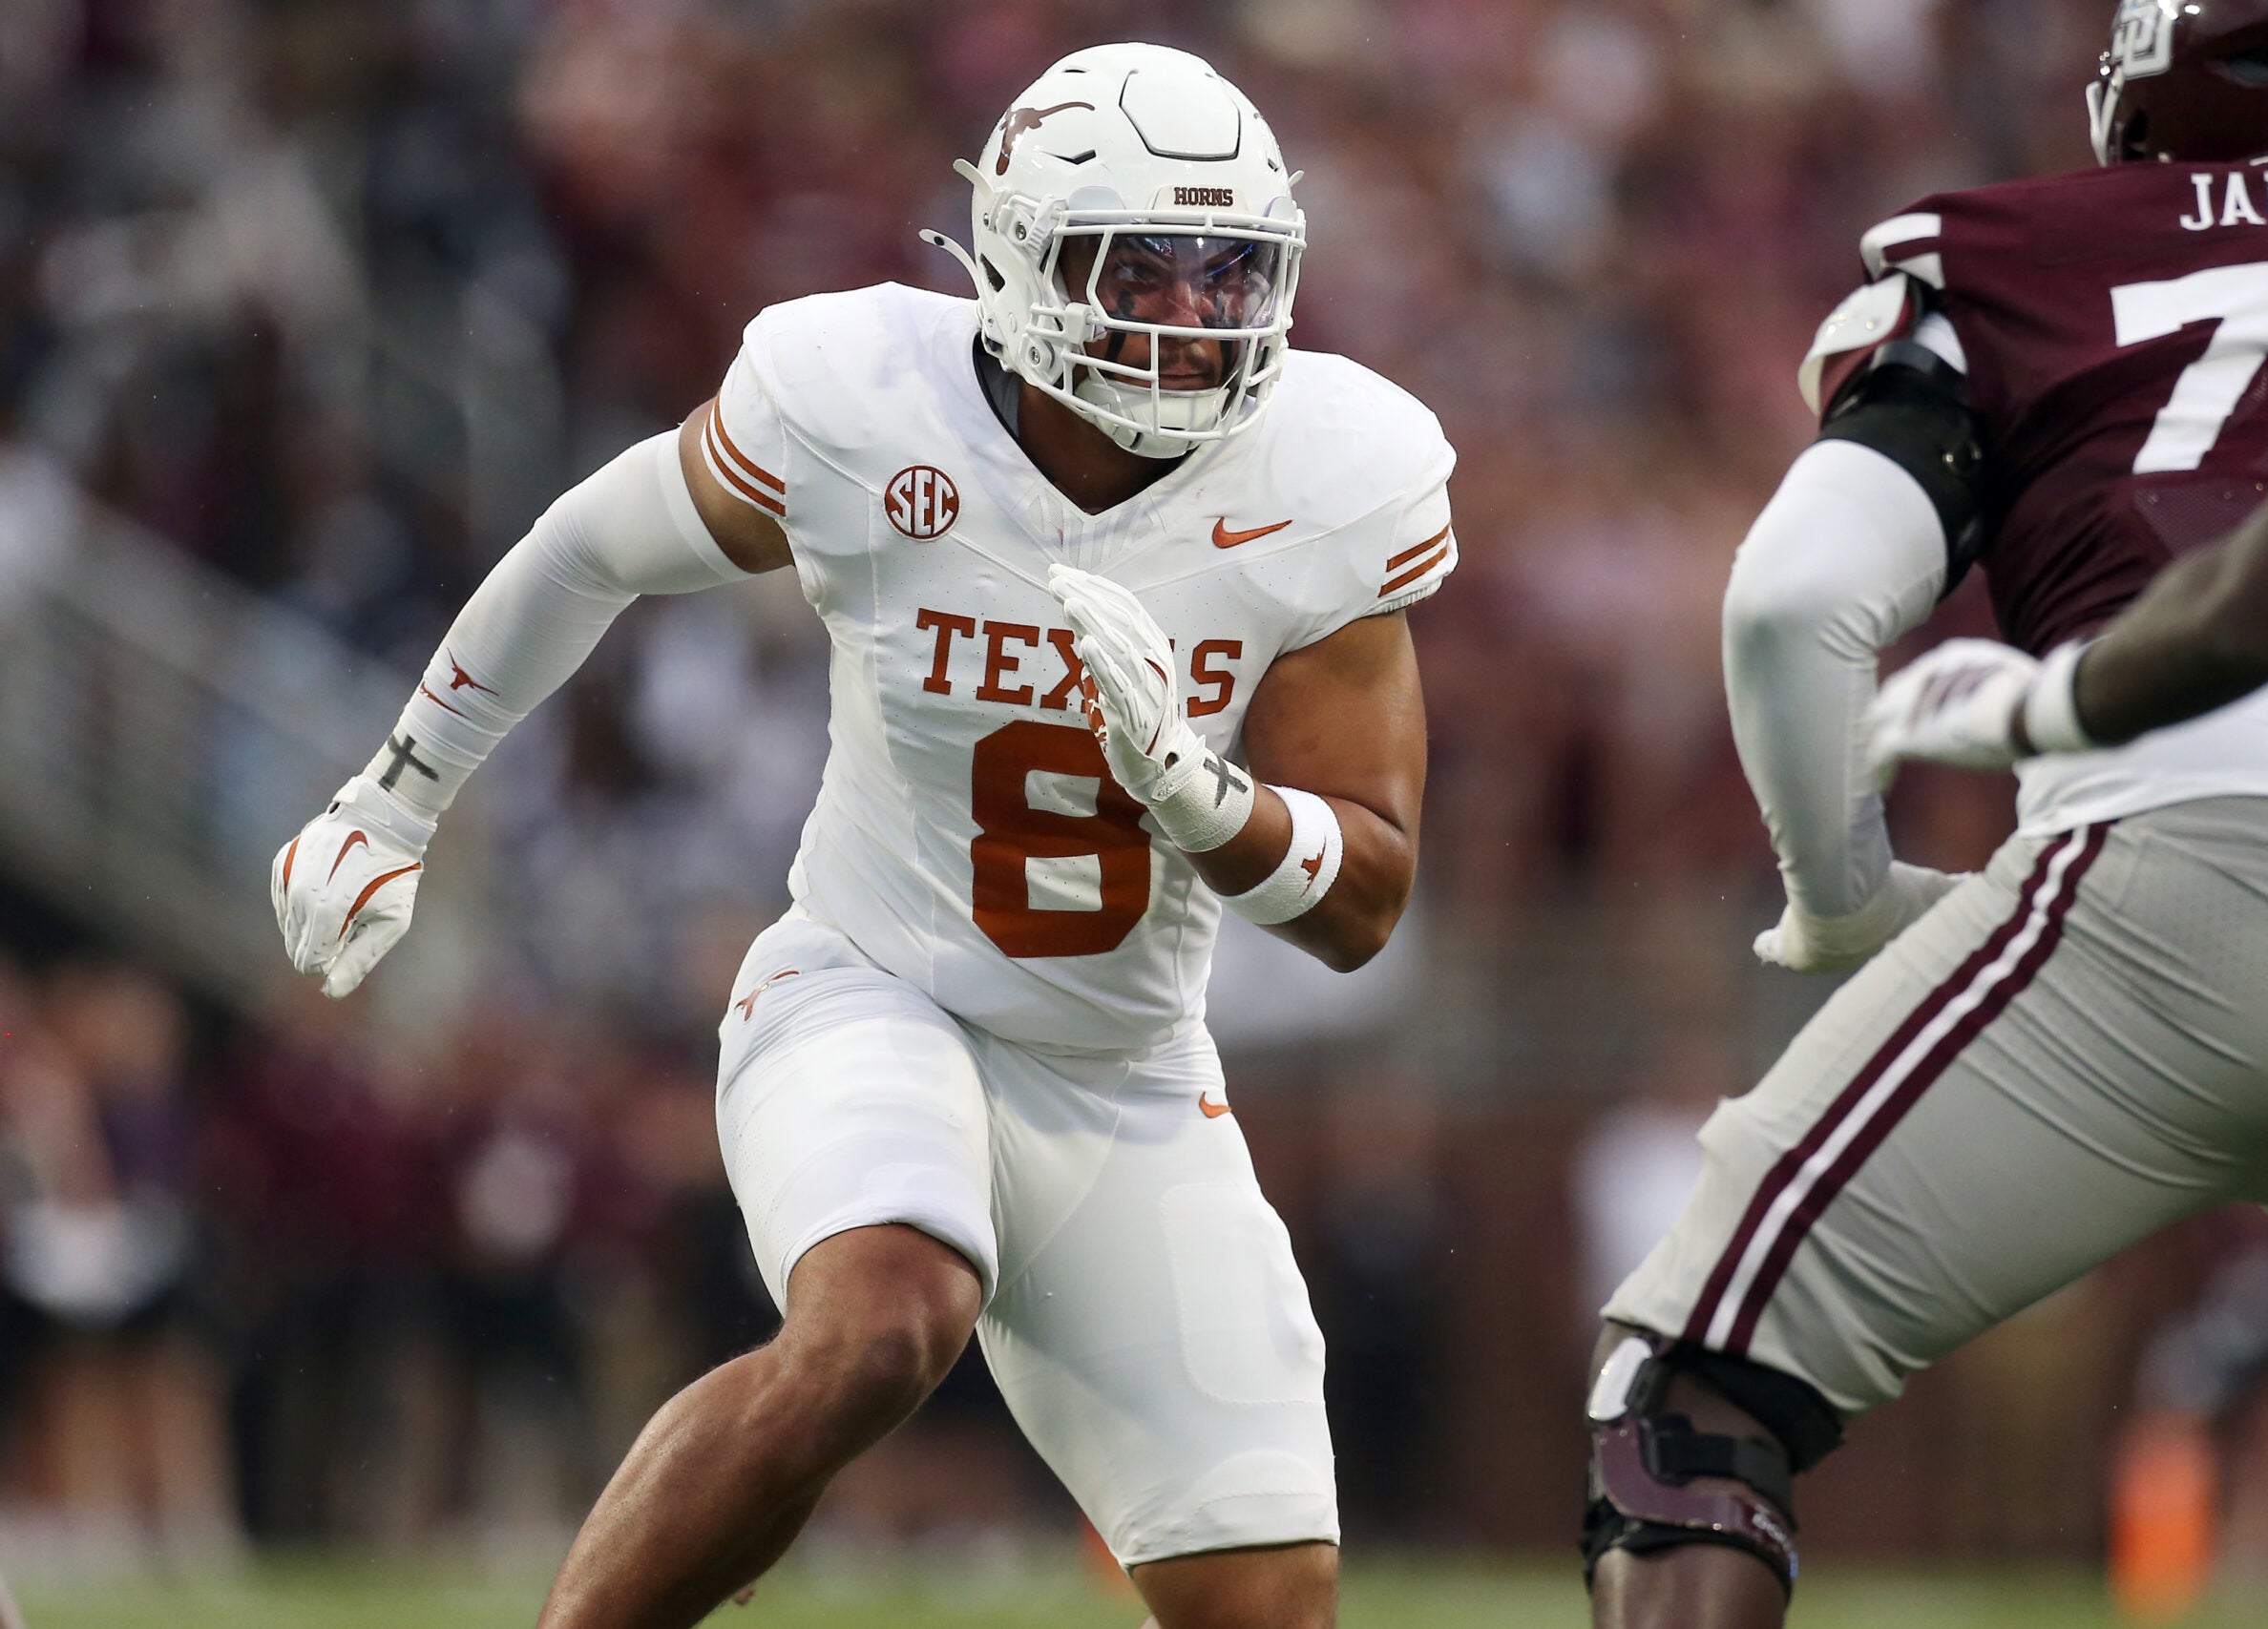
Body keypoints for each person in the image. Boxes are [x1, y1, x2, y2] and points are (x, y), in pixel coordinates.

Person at [269, 42, 1457, 1629]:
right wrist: (396, 794)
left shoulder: (1330, 470)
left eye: (1229, 270)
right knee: (887, 1318)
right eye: (1143, 270)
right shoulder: (864, 400)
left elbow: (1364, 898)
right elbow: (590, 547)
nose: (1194, 315)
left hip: (1124, 1071)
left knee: (1268, 1603)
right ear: (1023, 260)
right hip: (876, 986)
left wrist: (1203, 797)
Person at [1580, 6, 2268, 1624]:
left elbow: (1796, 603)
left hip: (2177, 883)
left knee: (1696, 1400)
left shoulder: (2023, 256)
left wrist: (1840, 898)